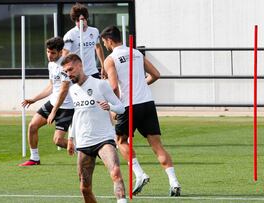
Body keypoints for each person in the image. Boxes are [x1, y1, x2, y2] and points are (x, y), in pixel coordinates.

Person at [100, 25, 181, 196]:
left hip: (129, 105)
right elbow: (156, 74)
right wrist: (140, 85)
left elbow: (114, 87)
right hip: (147, 103)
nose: (105, 46)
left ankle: (139, 174)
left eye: (105, 43)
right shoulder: (136, 53)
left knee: (120, 141)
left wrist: (114, 107)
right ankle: (174, 182)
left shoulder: (111, 59)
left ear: (109, 40)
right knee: (157, 145)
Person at [61, 54, 127, 203]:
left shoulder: (100, 84)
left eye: (70, 69)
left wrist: (109, 106)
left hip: (104, 139)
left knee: (116, 173)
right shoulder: (73, 90)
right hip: (84, 143)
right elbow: (77, 114)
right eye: (66, 72)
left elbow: (121, 108)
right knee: (85, 188)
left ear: (80, 66)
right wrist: (71, 138)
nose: (69, 74)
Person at [19, 37, 74, 166]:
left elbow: (63, 91)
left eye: (53, 53)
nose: (49, 55)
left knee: (58, 141)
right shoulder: (51, 64)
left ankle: (87, 151)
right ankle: (35, 158)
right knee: (32, 126)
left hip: (66, 107)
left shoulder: (65, 66)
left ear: (61, 52)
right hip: (53, 102)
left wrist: (53, 112)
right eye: (48, 52)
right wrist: (34, 99)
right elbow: (51, 86)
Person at [63, 3, 105, 79]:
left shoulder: (94, 31)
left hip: (93, 71)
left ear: (86, 19)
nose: (80, 23)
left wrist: (103, 65)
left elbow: (98, 47)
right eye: (77, 21)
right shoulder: (70, 34)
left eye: (82, 20)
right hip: (78, 73)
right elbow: (65, 54)